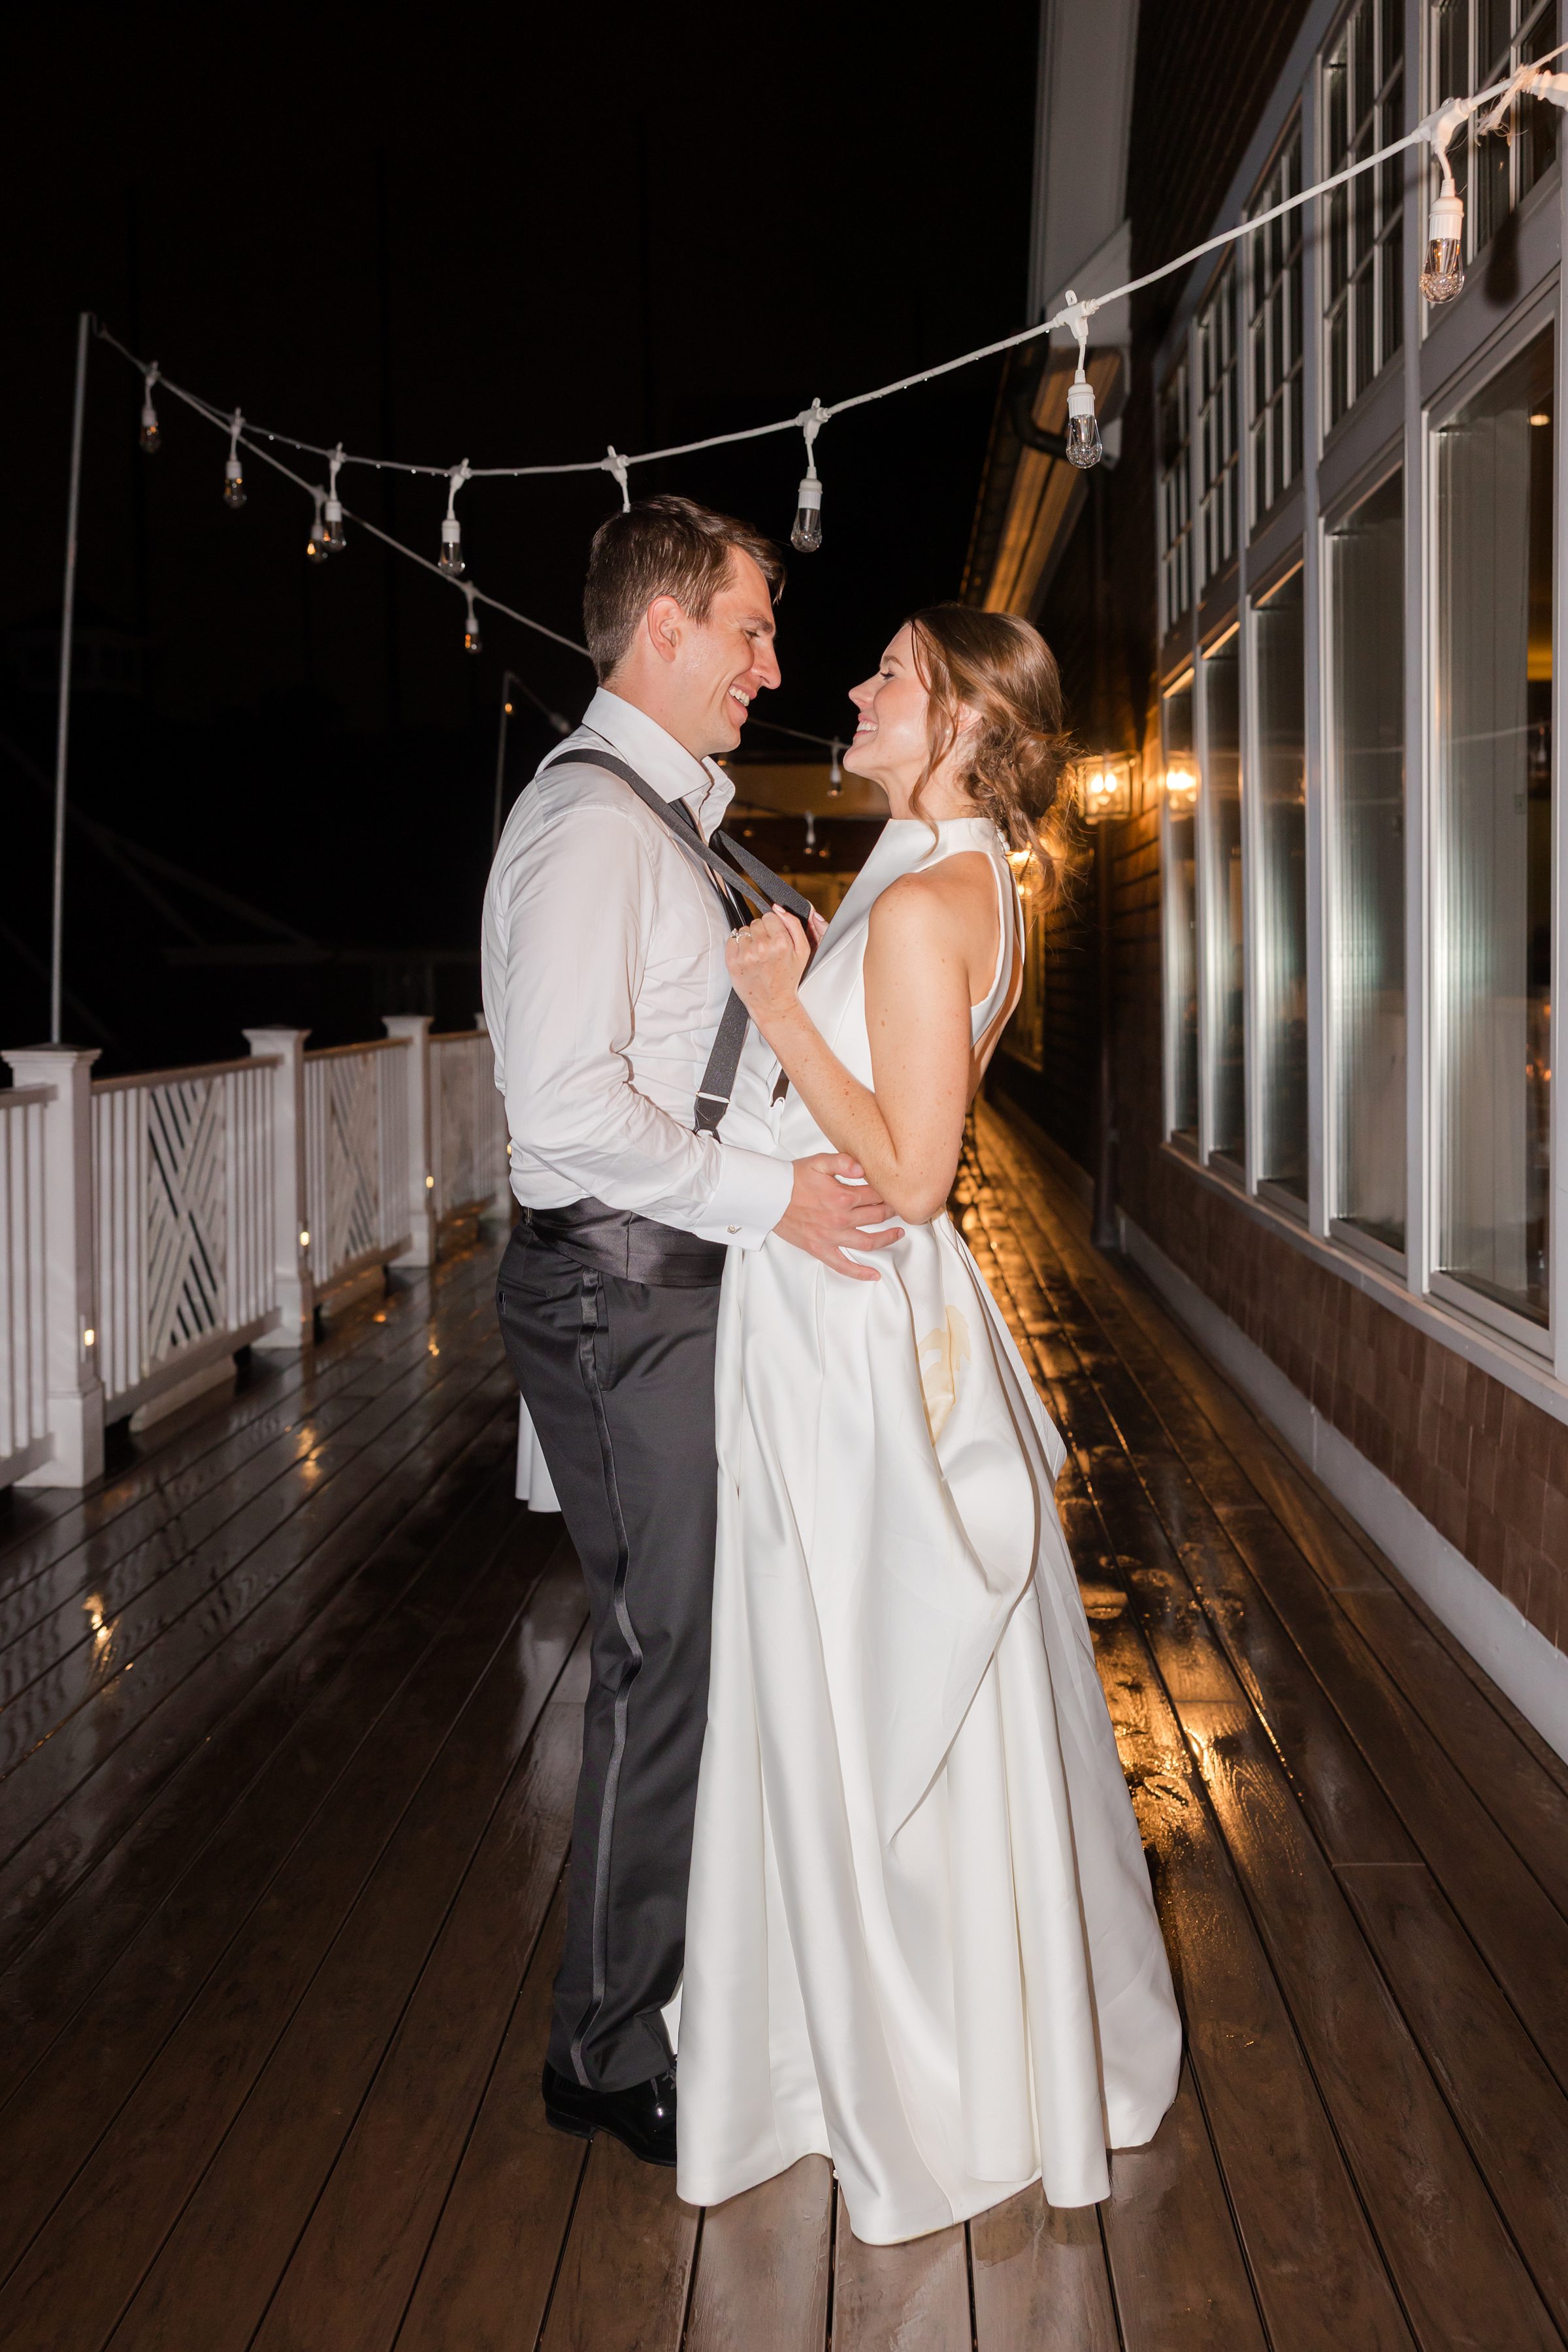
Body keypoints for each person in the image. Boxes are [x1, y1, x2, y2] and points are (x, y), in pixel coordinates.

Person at [676, 606, 1183, 2245]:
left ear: (964, 721)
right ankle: (940, 2033)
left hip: (852, 1337)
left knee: (854, 1682)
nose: (858, 688)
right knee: (895, 1696)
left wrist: (776, 1002)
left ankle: (900, 2067)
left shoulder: (924, 904)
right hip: (867, 1321)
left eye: (892, 672)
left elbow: (905, 1175)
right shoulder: (961, 881)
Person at [481, 496, 904, 2170]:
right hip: (622, 1288)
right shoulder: (592, 833)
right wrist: (775, 1199)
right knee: (664, 1665)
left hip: (676, 1284)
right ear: (661, 629)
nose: (771, 665)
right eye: (749, 629)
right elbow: (564, 1108)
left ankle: (675, 1985)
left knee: (700, 1651)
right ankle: (599, 2044)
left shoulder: (671, 822)